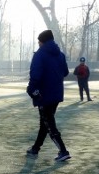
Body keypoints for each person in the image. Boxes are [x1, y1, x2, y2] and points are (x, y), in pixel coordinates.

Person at [25, 29, 71, 161]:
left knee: (49, 123)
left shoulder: (40, 54)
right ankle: (35, 148)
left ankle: (63, 150)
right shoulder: (60, 55)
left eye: (39, 41)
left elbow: (36, 74)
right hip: (56, 93)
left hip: (43, 94)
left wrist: (31, 88)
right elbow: (66, 72)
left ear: (42, 41)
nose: (38, 43)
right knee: (45, 122)